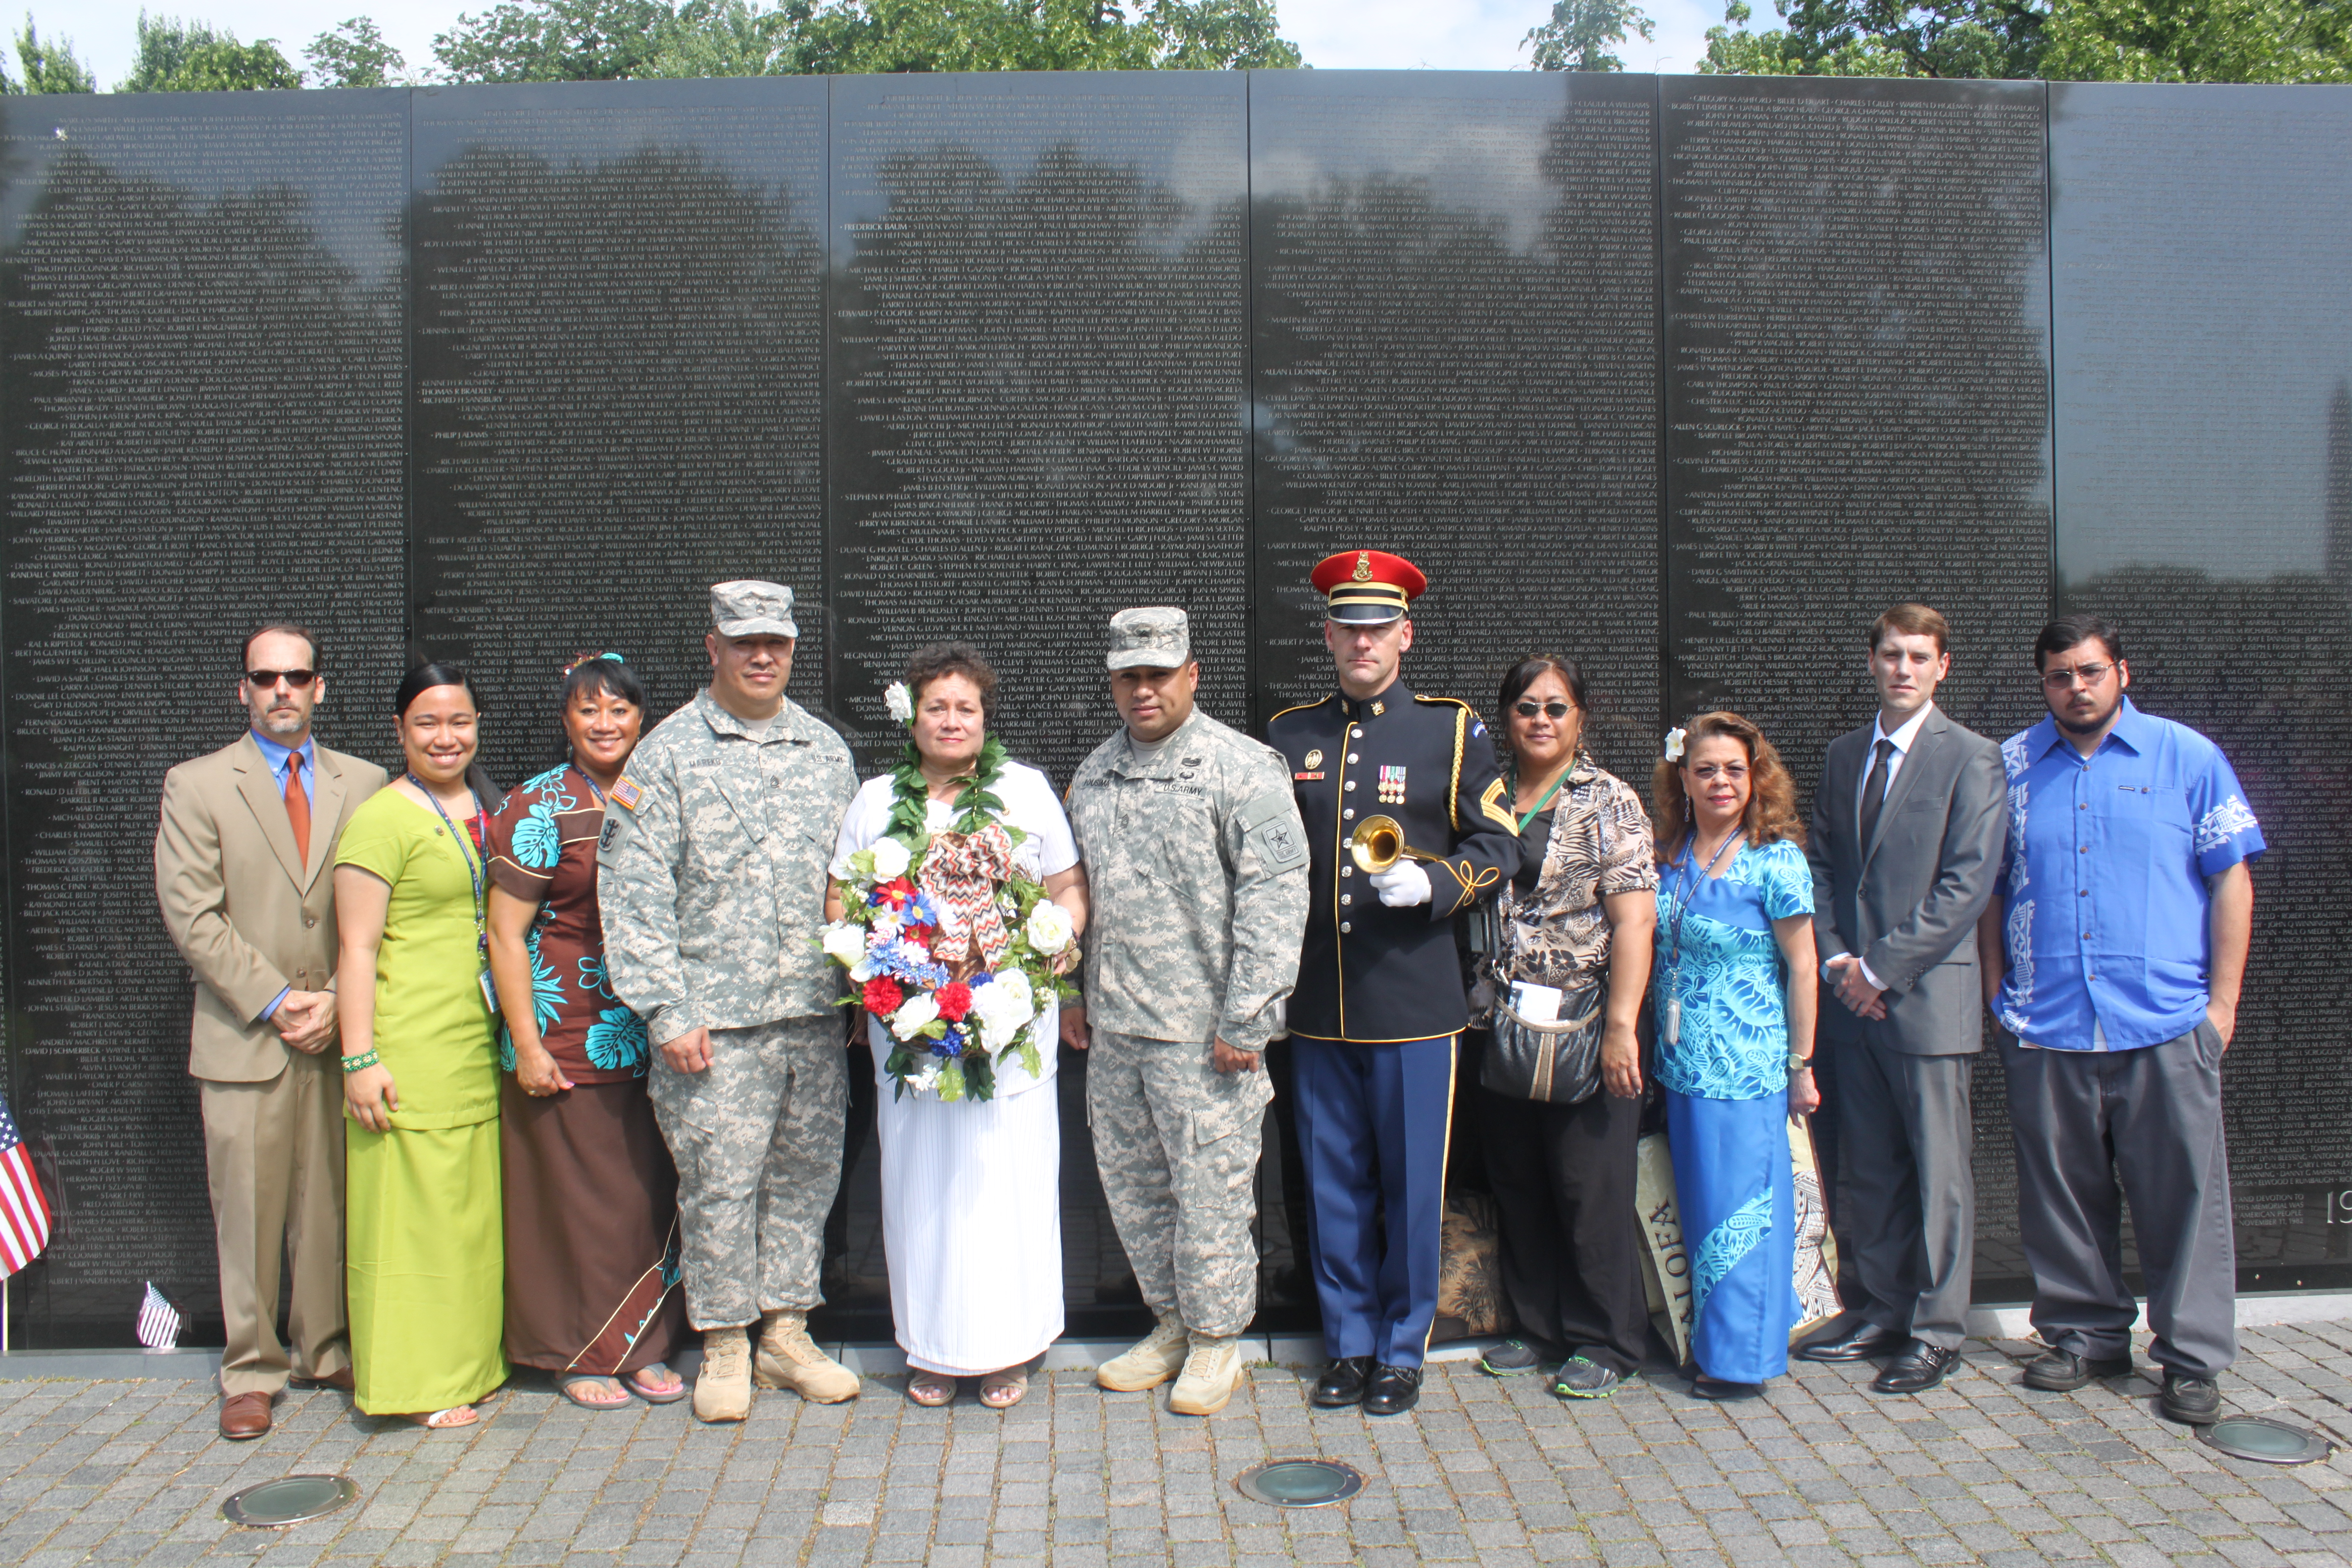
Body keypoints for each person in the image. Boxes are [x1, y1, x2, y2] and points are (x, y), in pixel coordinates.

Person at [1976, 614, 2260, 1426]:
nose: (2078, 687)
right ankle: (2083, 1334)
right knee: (2062, 1195)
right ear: (2044, 684)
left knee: (2185, 1199)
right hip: (2049, 1021)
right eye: (2061, 675)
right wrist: (2001, 991)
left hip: (2165, 1022)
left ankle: (2192, 1358)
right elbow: (1990, 885)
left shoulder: (2187, 758)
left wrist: (2222, 1008)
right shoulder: (2013, 765)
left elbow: (2230, 882)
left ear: (2122, 673)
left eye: (2091, 671)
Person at [598, 581, 862, 1422]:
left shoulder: (825, 751)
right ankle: (723, 1342)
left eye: (775, 644)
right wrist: (667, 1012)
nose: (760, 657)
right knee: (719, 1185)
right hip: (715, 1025)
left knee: (805, 1180)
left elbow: (853, 882)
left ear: (791, 650)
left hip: (813, 1018)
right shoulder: (667, 755)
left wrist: (864, 986)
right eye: (744, 643)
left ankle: (786, 1334)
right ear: (712, 647)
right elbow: (633, 894)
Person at [1265, 549, 1520, 1417]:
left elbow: (1500, 843)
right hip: (1318, 1004)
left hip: (1413, 1003)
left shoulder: (1449, 731)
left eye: (1378, 627)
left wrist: (1439, 883)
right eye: (1348, 627)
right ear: (1328, 636)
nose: (1362, 641)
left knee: (1414, 1186)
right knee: (1332, 1183)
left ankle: (1404, 1348)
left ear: (1404, 635)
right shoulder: (1289, 734)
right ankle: (1347, 1344)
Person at [1062, 609, 1310, 1416]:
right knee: (1136, 1191)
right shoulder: (1094, 775)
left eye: (1159, 674)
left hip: (1207, 1038)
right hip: (1119, 1030)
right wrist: (1072, 995)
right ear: (1112, 682)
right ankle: (1171, 1323)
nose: (1144, 689)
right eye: (1129, 676)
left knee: (1210, 1196)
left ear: (1191, 676)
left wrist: (1248, 1020)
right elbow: (1074, 899)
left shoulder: (1242, 769)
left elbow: (1277, 899)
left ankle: (1215, 1342)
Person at [829, 643, 1089, 1410]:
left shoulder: (1028, 791)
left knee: (1006, 1176)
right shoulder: (876, 801)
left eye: (965, 708)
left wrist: (1055, 946)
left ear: (985, 717)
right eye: (936, 706)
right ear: (913, 716)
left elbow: (1067, 886)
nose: (951, 720)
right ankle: (933, 1346)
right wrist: (864, 970)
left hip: (1010, 1021)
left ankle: (1010, 1347)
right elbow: (843, 898)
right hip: (910, 1023)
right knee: (922, 1181)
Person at [154, 625, 389, 1440]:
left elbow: (382, 899)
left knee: (328, 1203)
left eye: (297, 676)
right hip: (247, 1036)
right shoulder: (196, 785)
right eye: (266, 677)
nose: (282, 690)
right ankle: (251, 1368)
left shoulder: (364, 781)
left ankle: (324, 1349)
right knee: (249, 1211)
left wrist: (334, 1005)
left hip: (338, 1030)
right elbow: (192, 913)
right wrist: (276, 998)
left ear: (321, 687)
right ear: (243, 689)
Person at [1795, 605, 2005, 1395]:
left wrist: (1879, 969)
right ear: (1872, 661)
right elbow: (1819, 863)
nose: (1904, 669)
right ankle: (1880, 1306)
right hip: (1854, 999)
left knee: (1939, 1175)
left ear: (1942, 666)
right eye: (1891, 654)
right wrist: (1841, 958)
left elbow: (1966, 882)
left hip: (1924, 1002)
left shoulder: (1973, 759)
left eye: (1919, 656)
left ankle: (1938, 1329)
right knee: (1869, 1168)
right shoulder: (1847, 754)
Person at [485, 652, 688, 1410]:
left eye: (620, 710)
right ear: (566, 721)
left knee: (644, 1193)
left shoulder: (656, 792)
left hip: (656, 1029)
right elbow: (505, 935)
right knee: (577, 1197)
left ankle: (647, 1345)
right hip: (566, 1026)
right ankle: (579, 1351)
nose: (605, 724)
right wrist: (528, 1045)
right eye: (588, 710)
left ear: (643, 718)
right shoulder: (537, 805)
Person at [1470, 656, 1658, 1401]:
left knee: (1590, 1186)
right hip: (1499, 1022)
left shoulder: (1609, 800)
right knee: (1518, 1180)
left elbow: (1635, 919)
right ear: (1507, 719)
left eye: (1555, 707)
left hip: (1583, 1024)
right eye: (1525, 708)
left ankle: (1607, 1338)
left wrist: (1621, 1027)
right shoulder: (1483, 796)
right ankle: (1539, 1324)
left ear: (1581, 717)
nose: (1540, 720)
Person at [333, 662, 507, 1428]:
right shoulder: (381, 818)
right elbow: (358, 949)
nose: (447, 737)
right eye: (429, 724)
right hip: (409, 1041)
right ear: (400, 732)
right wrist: (360, 1058)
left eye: (460, 721)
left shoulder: (488, 806)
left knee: (467, 1214)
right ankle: (415, 1381)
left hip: (474, 1037)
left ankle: (471, 1364)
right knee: (413, 1216)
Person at [1650, 710, 1819, 1402]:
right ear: (1682, 778)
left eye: (1734, 770)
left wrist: (1802, 1067)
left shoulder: (1775, 858)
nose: (1721, 782)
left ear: (1756, 779)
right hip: (1682, 1066)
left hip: (1746, 1069)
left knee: (1741, 1216)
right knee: (1703, 1209)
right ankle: (1720, 1341)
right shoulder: (1673, 850)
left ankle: (1739, 1360)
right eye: (1705, 769)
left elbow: (1803, 968)